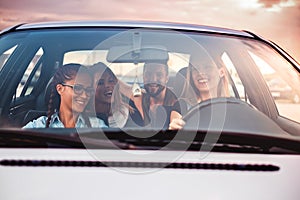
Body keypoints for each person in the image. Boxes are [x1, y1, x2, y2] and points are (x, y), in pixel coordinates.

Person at [23, 63, 107, 128]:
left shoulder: (97, 126)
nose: (85, 96)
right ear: (60, 89)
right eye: (77, 88)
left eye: (88, 90)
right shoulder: (39, 126)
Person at [169, 56, 229, 130]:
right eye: (195, 69)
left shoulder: (231, 107)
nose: (200, 73)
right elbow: (176, 131)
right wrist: (174, 129)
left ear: (221, 72)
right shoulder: (182, 106)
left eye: (208, 67)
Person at [128, 61, 180, 129]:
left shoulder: (176, 101)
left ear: (166, 78)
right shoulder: (138, 98)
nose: (153, 79)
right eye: (148, 74)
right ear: (143, 77)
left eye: (159, 75)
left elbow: (176, 121)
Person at [89, 62, 134, 128]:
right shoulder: (84, 118)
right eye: (100, 83)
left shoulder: (129, 113)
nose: (107, 85)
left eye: (111, 81)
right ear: (90, 89)